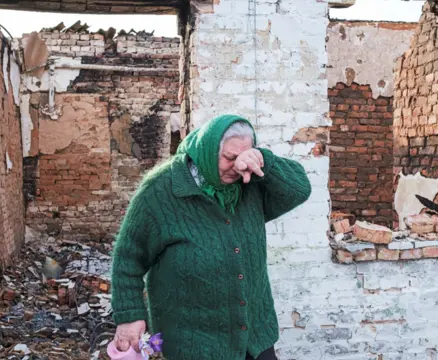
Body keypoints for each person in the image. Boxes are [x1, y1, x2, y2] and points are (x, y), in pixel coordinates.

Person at [110, 114, 312, 360]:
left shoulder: (250, 181)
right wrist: (130, 315)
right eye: (229, 158)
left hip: (254, 340)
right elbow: (128, 259)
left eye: (243, 156)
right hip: (195, 345)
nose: (237, 166)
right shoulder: (161, 190)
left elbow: (299, 189)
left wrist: (264, 161)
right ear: (207, 151)